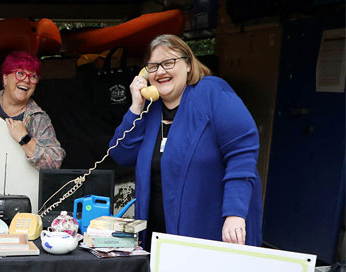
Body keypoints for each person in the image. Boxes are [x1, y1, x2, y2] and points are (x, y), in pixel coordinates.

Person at [109, 34, 262, 246]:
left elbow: (242, 152)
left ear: (189, 65)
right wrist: (136, 106)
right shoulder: (150, 110)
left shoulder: (211, 92)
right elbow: (121, 153)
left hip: (211, 234)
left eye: (168, 63)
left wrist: (235, 214)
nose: (161, 71)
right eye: (152, 66)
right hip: (158, 237)